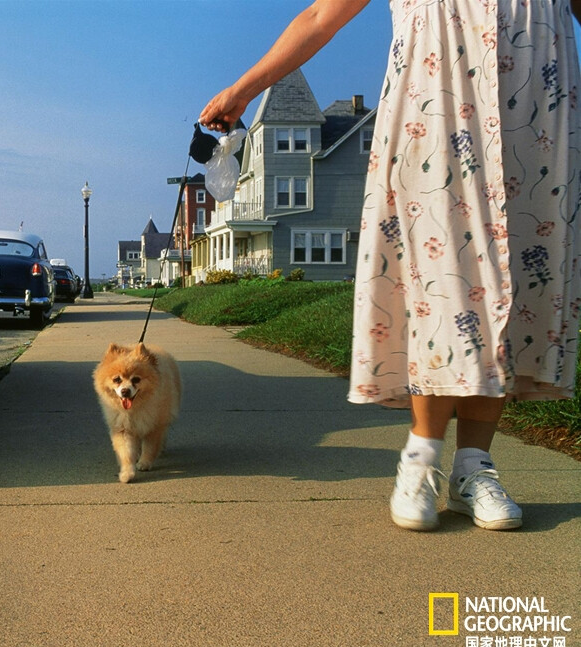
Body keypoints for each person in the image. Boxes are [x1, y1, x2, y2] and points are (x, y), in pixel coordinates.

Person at [200, 0, 581, 531]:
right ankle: (421, 459)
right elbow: (320, 17)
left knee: (512, 282)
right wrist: (243, 90)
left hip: (537, 111)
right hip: (438, 109)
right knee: (441, 280)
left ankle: (475, 466)